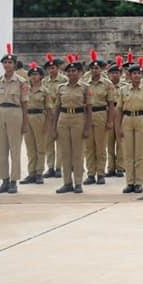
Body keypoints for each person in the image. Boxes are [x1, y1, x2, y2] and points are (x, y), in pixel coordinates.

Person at [51, 59, 91, 193]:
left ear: (79, 73)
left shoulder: (84, 88)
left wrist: (87, 127)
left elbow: (88, 109)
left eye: (74, 71)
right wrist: (54, 127)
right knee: (65, 153)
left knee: (77, 153)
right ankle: (67, 182)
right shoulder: (61, 88)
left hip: (78, 118)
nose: (71, 73)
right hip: (63, 119)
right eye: (69, 71)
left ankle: (78, 182)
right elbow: (56, 108)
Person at [0, 45, 27, 194]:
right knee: (0, 149)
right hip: (0, 112)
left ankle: (14, 181)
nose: (7, 65)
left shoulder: (21, 82)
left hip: (15, 112)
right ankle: (4, 180)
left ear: (15, 65)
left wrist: (25, 123)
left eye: (10, 63)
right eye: (5, 62)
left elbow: (25, 103)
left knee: (14, 149)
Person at [116, 64, 143, 194]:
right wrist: (118, 127)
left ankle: (139, 183)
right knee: (128, 153)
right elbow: (119, 109)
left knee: (140, 154)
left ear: (141, 75)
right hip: (127, 119)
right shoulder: (123, 90)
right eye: (134, 73)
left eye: (138, 73)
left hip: (141, 119)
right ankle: (129, 182)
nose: (136, 75)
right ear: (129, 76)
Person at [82, 51, 114, 186]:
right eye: (93, 68)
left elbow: (111, 103)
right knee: (89, 147)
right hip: (87, 116)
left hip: (101, 114)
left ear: (101, 69)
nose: (95, 70)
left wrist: (110, 120)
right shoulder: (84, 84)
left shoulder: (107, 84)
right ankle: (90, 173)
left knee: (101, 147)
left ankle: (100, 173)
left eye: (97, 68)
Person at [20, 63, 50, 185]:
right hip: (27, 116)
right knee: (30, 147)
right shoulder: (25, 89)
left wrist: (47, 125)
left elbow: (49, 109)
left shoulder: (45, 91)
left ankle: (39, 172)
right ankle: (31, 172)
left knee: (40, 147)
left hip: (39, 117)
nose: (34, 77)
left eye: (36, 74)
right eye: (32, 74)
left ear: (41, 76)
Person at [41, 55, 66, 179]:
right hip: (47, 114)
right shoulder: (44, 81)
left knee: (60, 142)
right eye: (49, 68)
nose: (52, 70)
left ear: (58, 68)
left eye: (54, 67)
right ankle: (50, 167)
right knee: (48, 142)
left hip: (60, 113)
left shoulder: (64, 80)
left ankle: (58, 167)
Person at [104, 59, 125, 178]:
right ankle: (111, 167)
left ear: (120, 74)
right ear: (109, 74)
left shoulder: (125, 86)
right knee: (109, 142)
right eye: (112, 73)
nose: (114, 75)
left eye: (117, 73)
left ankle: (120, 167)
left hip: (120, 113)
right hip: (108, 113)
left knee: (121, 142)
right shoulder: (106, 86)